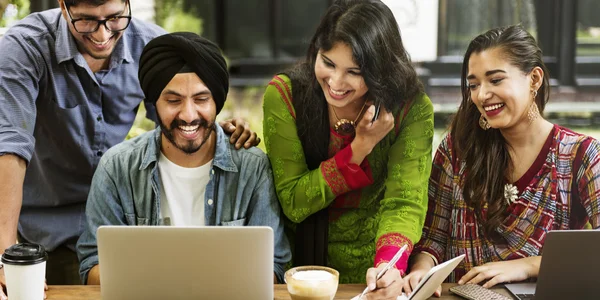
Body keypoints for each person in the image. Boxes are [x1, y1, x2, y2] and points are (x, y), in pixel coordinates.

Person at [0, 0, 258, 291]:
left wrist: (214, 128)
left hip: (121, 223)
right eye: (86, 20)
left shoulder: (150, 46)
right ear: (63, 6)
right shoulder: (24, 48)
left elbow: (174, 121)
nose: (102, 34)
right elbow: (11, 146)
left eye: (114, 18)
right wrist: (5, 257)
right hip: (49, 230)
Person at [76, 32, 291, 285]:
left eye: (201, 99)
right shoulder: (117, 168)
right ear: (155, 103)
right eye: (173, 100)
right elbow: (92, 267)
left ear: (217, 103)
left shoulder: (252, 169)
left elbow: (274, 269)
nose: (189, 115)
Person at [405, 25, 600, 297]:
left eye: (495, 80)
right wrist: (420, 272)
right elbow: (433, 239)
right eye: (473, 85)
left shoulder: (581, 155)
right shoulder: (457, 149)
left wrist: (530, 266)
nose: (482, 95)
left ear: (534, 79)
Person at [262, 0, 434, 298]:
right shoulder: (285, 96)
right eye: (327, 63)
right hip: (303, 272)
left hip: (377, 273)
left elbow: (405, 202)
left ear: (381, 70)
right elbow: (293, 201)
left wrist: (389, 265)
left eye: (354, 72)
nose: (336, 83)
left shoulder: (410, 108)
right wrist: (359, 148)